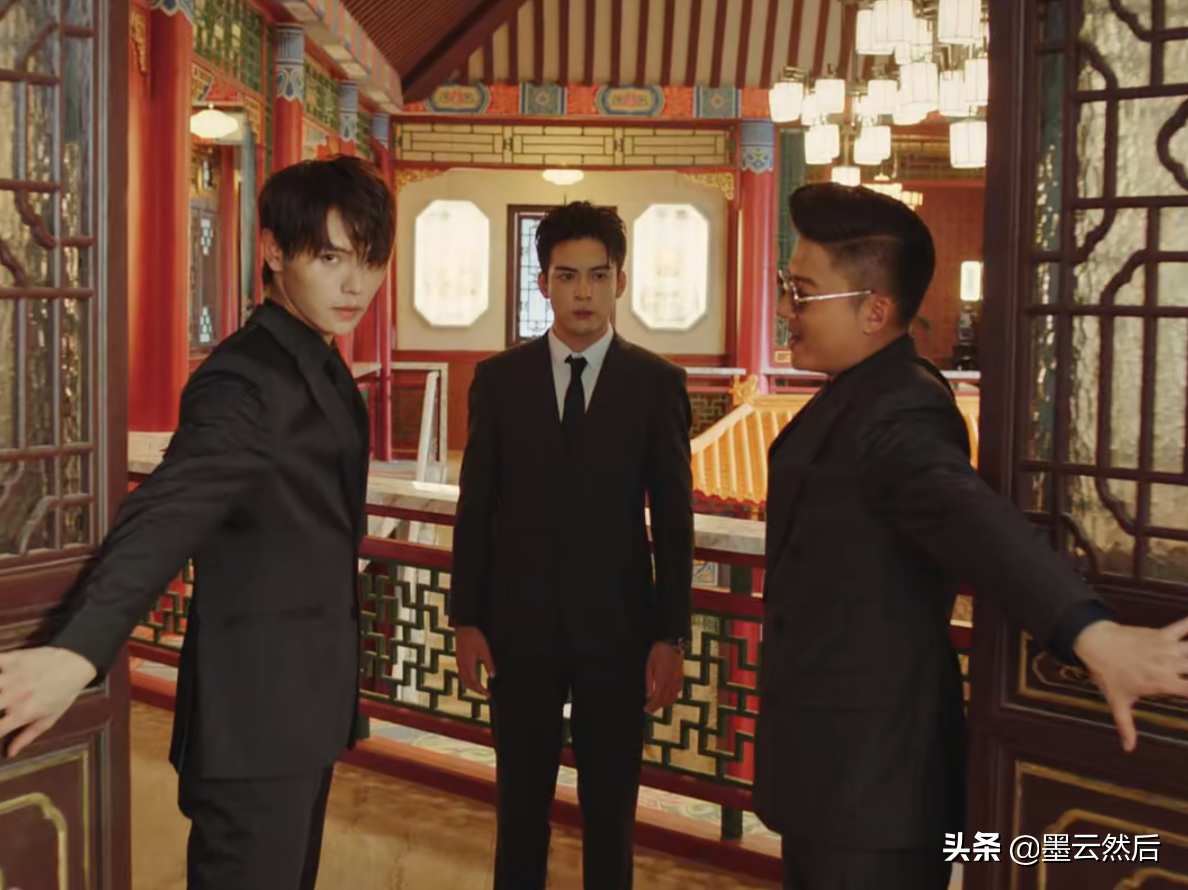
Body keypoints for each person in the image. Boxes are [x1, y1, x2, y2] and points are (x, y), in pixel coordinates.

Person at [754, 182, 1188, 890]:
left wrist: (1089, 633)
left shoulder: (901, 408)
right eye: (786, 287)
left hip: (876, 786)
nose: (784, 309)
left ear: (874, 310)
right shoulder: (856, 390)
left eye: (801, 293)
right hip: (825, 773)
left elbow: (974, 520)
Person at [0, 155, 395, 890]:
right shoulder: (244, 379)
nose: (355, 285)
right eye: (331, 258)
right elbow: (166, 513)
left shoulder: (317, 356)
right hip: (253, 721)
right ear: (273, 250)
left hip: (305, 706)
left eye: (370, 261)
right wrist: (78, 652)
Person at [449, 200, 694, 890]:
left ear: (621, 281)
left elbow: (674, 520)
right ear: (543, 283)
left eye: (597, 275)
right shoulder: (500, 380)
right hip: (517, 630)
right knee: (519, 808)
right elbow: (475, 508)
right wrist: (466, 618)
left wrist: (672, 635)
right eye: (566, 276)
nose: (583, 292)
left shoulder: (657, 384)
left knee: (610, 814)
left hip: (619, 635)